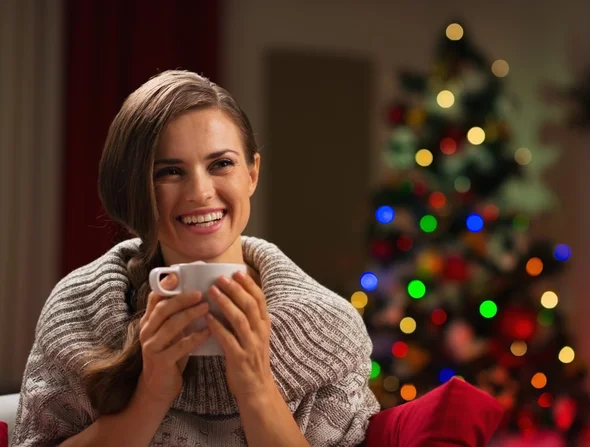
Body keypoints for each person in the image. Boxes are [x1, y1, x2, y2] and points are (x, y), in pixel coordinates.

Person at [12, 70, 380, 446]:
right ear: (137, 189)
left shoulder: (327, 329)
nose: (201, 193)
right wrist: (151, 395)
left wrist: (256, 387)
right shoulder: (79, 309)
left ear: (252, 173)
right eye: (170, 172)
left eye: (221, 164)